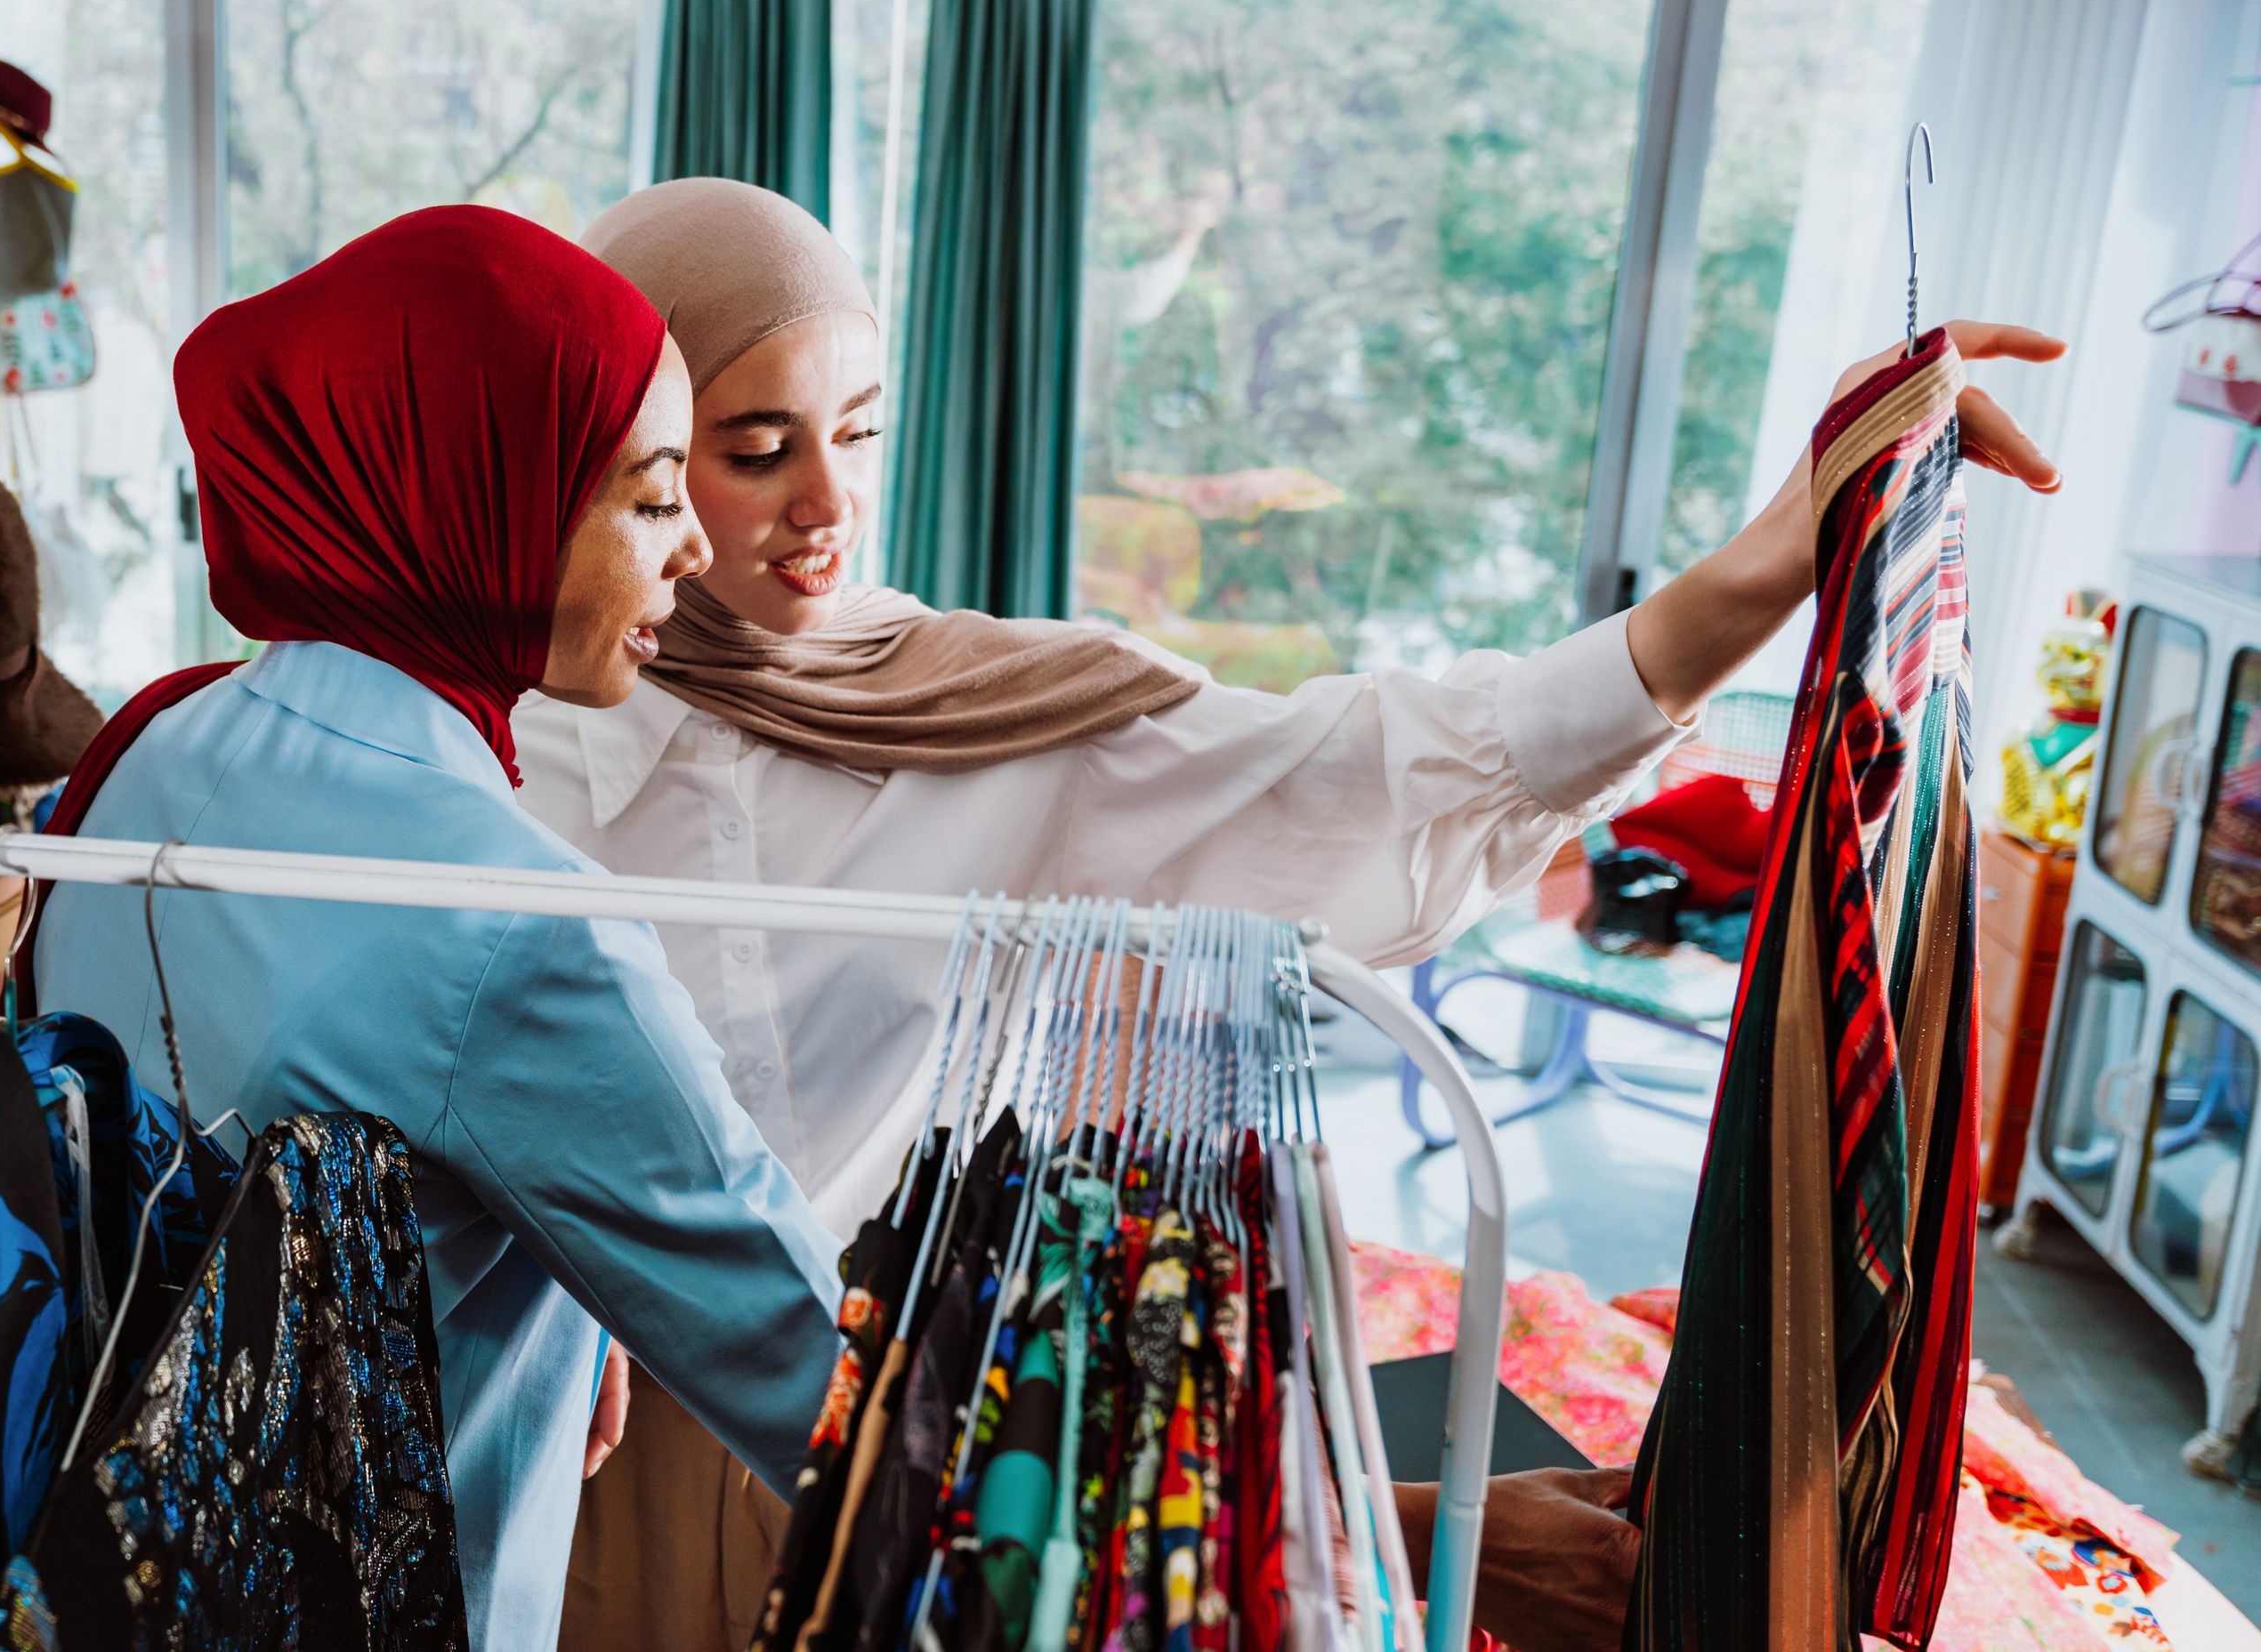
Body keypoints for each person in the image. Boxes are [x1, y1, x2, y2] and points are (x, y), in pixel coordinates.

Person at [528, 177, 2064, 1652]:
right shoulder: (501, 747)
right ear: (627, 452)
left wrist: (1770, 561)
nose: (828, 503)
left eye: (858, 433)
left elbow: (1359, 766)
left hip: (888, 1438)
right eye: (753, 448)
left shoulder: (981, 712)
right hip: (573, 1455)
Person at [28, 205, 838, 1652]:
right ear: (487, 493)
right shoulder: (518, 930)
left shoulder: (157, 743)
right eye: (654, 498)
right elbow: (820, 1390)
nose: (699, 554)